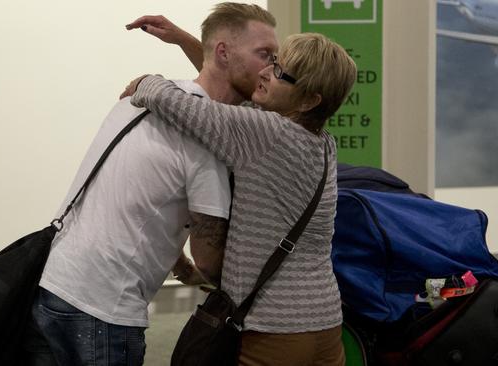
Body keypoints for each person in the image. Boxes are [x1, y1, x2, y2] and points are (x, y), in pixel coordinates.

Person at [24, 3, 278, 365]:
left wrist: (172, 255)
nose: (272, 69)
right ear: (223, 52)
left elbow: (138, 192)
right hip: (104, 312)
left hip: (53, 285)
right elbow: (208, 258)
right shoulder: (206, 137)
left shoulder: (142, 97)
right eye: (264, 54)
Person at [126, 32, 357, 366]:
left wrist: (145, 82)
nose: (265, 72)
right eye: (272, 61)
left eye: (279, 72)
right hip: (325, 324)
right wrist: (184, 40)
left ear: (308, 101)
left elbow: (177, 104)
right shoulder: (323, 144)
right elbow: (230, 86)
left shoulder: (264, 133)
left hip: (275, 330)